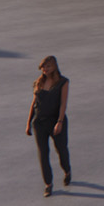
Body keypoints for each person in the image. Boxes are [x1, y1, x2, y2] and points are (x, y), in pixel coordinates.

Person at [25, 55, 72, 197]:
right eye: (43, 67)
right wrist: (28, 124)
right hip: (39, 123)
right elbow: (33, 104)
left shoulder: (63, 82)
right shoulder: (38, 83)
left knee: (61, 149)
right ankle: (48, 184)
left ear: (55, 67)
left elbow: (63, 103)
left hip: (55, 121)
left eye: (48, 66)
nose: (45, 69)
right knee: (43, 154)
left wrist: (60, 122)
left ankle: (67, 170)